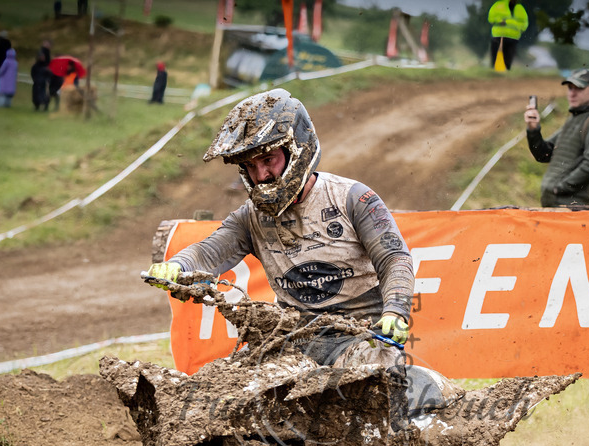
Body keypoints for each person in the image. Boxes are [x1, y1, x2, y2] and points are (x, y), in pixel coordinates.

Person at [146, 88, 414, 371]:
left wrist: (396, 311)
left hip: (361, 336)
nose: (260, 175)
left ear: (295, 149)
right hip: (293, 341)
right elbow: (208, 252)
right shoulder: (250, 217)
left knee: (376, 375)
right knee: (230, 386)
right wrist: (177, 265)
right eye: (250, 166)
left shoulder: (353, 198)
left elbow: (394, 258)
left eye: (267, 160)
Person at [524, 68, 589, 207]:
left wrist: (560, 187)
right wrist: (533, 129)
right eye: (570, 88)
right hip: (558, 204)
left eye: (579, 88)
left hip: (572, 206)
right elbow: (543, 154)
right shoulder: (576, 118)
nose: (572, 93)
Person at [487, 0, 527, 71]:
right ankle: (493, 69)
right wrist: (500, 21)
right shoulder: (498, 5)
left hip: (513, 37)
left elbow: (524, 23)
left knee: (509, 56)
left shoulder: (520, 8)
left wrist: (518, 27)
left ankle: (507, 70)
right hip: (498, 34)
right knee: (495, 54)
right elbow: (491, 18)